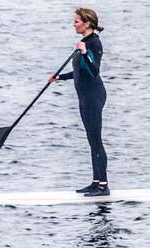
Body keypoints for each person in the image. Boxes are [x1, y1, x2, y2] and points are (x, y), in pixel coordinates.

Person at [48, 7, 109, 197]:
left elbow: (94, 71)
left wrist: (83, 53)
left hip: (93, 95)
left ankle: (103, 186)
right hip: (84, 96)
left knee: (96, 140)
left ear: (87, 23)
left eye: (76, 21)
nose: (73, 24)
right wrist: (60, 77)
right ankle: (95, 182)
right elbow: (79, 73)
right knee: (91, 140)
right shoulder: (84, 42)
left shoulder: (94, 43)